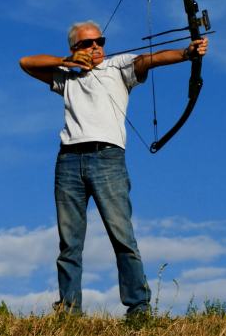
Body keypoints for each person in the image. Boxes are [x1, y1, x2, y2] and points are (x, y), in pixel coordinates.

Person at [19, 20, 208, 315]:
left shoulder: (119, 66)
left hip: (107, 158)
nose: (96, 47)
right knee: (70, 243)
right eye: (87, 43)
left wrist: (187, 52)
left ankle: (139, 308)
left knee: (122, 236)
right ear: (74, 49)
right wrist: (66, 61)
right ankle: (69, 311)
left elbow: (150, 59)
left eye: (100, 41)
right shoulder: (66, 75)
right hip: (68, 160)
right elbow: (25, 62)